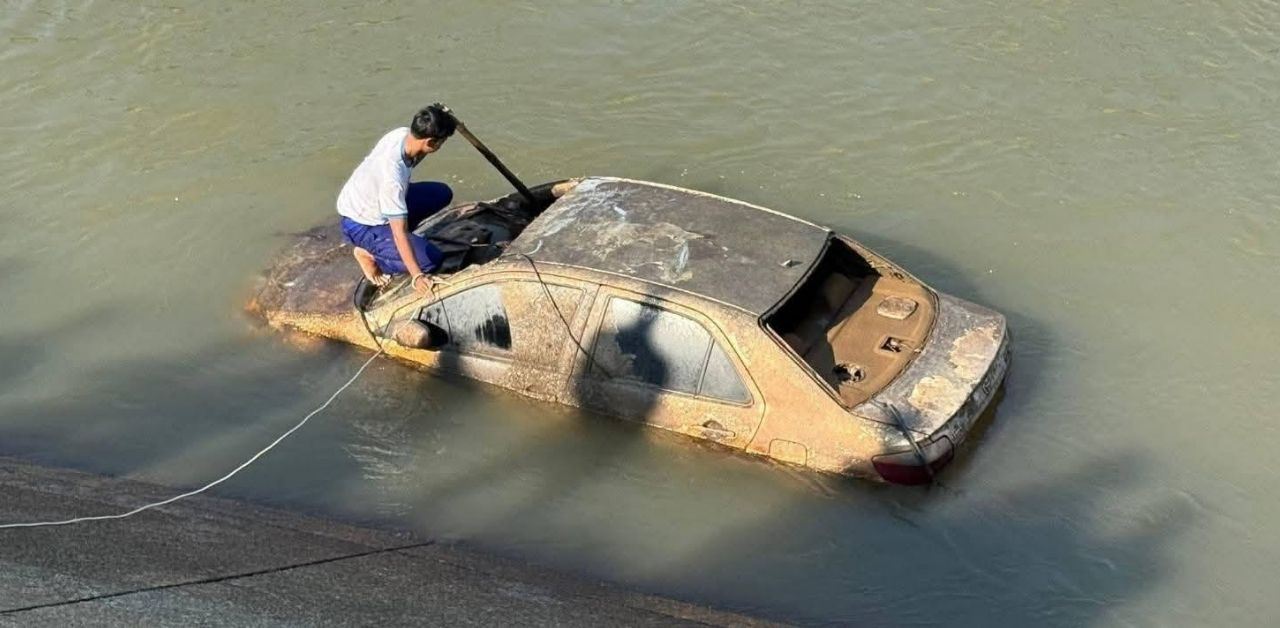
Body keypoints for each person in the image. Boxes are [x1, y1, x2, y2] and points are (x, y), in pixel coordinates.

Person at [336, 104, 457, 294]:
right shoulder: (392, 179)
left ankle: (402, 244)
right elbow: (398, 233)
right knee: (430, 261)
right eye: (441, 143)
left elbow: (414, 159)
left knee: (441, 193)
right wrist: (417, 276)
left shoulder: (401, 135)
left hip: (371, 200)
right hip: (361, 224)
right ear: (431, 142)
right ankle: (369, 254)